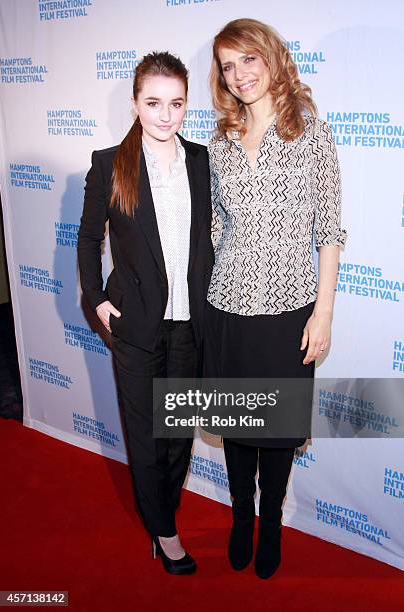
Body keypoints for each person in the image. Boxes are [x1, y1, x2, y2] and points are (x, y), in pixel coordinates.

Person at [205, 19, 347, 579]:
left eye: (247, 60)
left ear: (270, 57)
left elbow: (329, 229)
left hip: (290, 309)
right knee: (239, 429)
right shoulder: (218, 142)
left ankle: (270, 522)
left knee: (278, 431)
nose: (238, 75)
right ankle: (241, 518)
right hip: (228, 309)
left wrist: (325, 311)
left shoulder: (312, 132)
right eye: (226, 66)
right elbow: (215, 223)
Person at [77, 51, 214, 575]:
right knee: (147, 434)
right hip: (135, 327)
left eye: (176, 103)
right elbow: (89, 239)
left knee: (179, 433)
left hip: (189, 326)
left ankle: (163, 514)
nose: (165, 114)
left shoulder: (202, 161)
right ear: (136, 103)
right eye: (154, 102)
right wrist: (97, 299)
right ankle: (165, 533)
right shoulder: (110, 163)